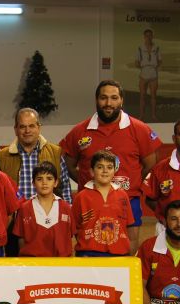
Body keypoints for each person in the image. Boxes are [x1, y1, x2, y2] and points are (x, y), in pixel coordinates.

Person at [60, 80, 162, 254]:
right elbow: (69, 165)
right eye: (103, 98)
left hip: (128, 198)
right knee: (89, 245)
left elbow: (150, 164)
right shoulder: (79, 131)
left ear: (121, 100)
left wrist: (133, 181)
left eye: (114, 98)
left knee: (128, 245)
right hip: (90, 201)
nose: (108, 103)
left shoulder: (139, 129)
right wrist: (90, 183)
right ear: (96, 100)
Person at [0, 107, 72, 256]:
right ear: (15, 129)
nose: (27, 131)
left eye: (31, 126)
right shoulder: (2, 156)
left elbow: (65, 190)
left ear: (39, 127)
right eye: (22, 127)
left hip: (51, 223)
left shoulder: (55, 153)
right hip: (14, 224)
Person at [72, 150, 134, 257]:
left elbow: (128, 226)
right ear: (92, 171)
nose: (105, 171)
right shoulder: (81, 196)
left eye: (109, 167)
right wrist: (87, 245)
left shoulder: (122, 195)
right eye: (100, 167)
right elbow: (75, 227)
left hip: (118, 253)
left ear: (114, 171)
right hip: (89, 254)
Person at [13, 161, 74, 257]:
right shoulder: (24, 208)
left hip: (61, 263)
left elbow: (71, 237)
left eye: (49, 178)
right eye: (39, 179)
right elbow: (21, 240)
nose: (44, 182)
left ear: (56, 182)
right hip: (32, 263)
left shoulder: (66, 207)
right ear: (33, 183)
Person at [135, 29, 161, 121]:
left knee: (153, 96)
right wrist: (144, 67)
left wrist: (153, 67)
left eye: (150, 35)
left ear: (152, 36)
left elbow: (160, 60)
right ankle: (141, 115)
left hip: (153, 73)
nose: (149, 37)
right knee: (142, 96)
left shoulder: (157, 48)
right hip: (144, 73)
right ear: (144, 37)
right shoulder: (140, 48)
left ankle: (153, 115)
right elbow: (136, 62)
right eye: (147, 35)